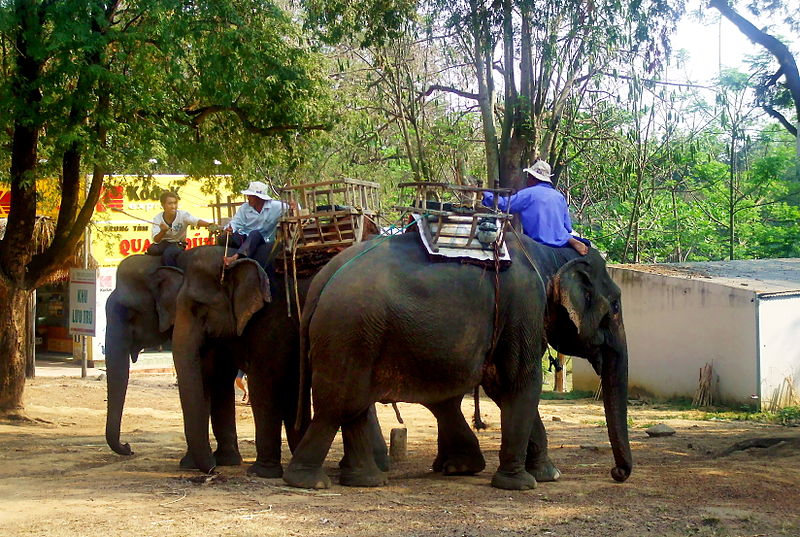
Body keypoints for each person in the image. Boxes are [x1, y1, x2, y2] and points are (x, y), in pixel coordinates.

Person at [482, 160, 589, 255]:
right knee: (566, 235)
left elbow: (504, 204)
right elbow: (568, 227)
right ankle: (568, 240)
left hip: (538, 241)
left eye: (529, 176)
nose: (527, 179)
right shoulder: (559, 197)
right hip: (561, 240)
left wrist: (485, 193)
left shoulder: (528, 194)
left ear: (533, 178)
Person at [221, 180, 291, 266]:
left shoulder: (275, 206)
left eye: (250, 196)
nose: (248, 198)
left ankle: (235, 257)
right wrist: (230, 228)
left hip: (262, 240)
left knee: (254, 234)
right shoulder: (244, 208)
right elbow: (235, 222)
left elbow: (294, 207)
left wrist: (294, 206)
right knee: (223, 237)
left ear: (258, 198)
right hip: (245, 238)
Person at [146, 191, 218, 266]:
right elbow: (156, 240)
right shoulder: (157, 218)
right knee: (151, 249)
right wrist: (162, 231)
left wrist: (210, 225)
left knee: (168, 255)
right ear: (163, 205)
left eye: (175, 203)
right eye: (170, 203)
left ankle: (173, 274)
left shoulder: (183, 215)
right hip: (164, 243)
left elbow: (196, 221)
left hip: (178, 243)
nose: (173, 206)